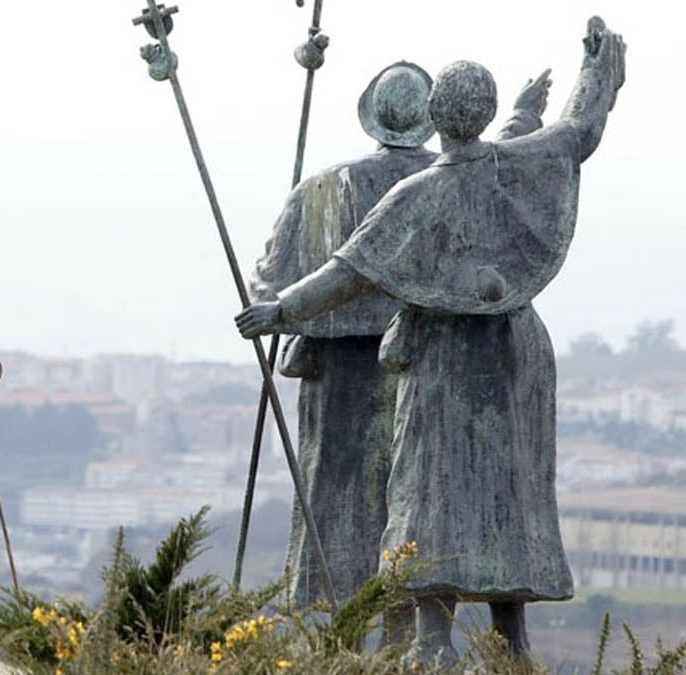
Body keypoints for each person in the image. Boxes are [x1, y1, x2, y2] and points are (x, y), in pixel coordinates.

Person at [237, 19, 625, 668]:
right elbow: (579, 131)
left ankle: (432, 641)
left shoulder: (416, 195)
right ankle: (510, 640)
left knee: (432, 488)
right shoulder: (519, 163)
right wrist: (598, 72)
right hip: (514, 350)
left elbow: (346, 273)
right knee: (511, 489)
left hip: (447, 355)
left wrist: (278, 309)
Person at [251, 62, 552, 645]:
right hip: (430, 364)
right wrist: (527, 112)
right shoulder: (462, 179)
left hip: (340, 377)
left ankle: (348, 644)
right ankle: (408, 639)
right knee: (418, 510)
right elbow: (513, 151)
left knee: (345, 516)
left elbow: (272, 282)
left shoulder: (321, 188)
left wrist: (276, 311)